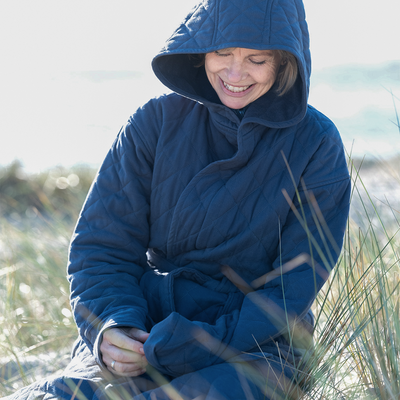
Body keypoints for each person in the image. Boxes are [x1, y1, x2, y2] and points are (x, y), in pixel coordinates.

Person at [4, 0, 350, 399]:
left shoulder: (317, 143)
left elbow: (293, 287)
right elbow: (102, 248)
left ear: (284, 62)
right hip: (148, 329)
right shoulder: (153, 122)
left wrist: (196, 344)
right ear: (202, 48)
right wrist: (113, 328)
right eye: (222, 52)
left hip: (255, 347)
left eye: (256, 59)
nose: (235, 73)